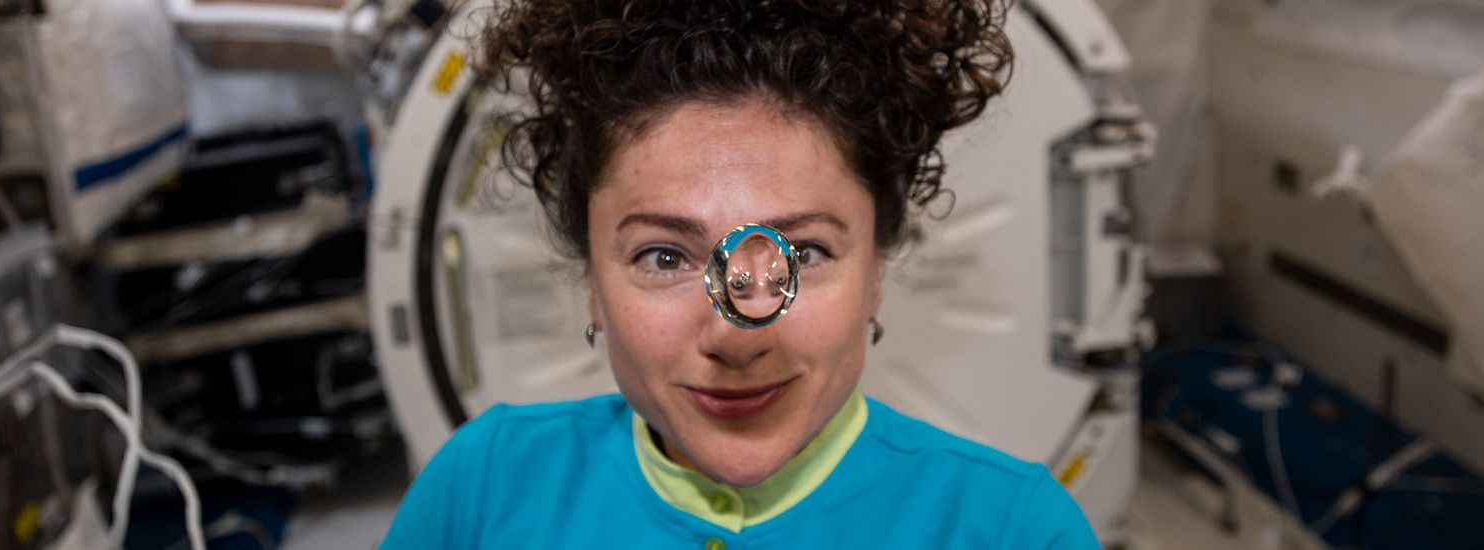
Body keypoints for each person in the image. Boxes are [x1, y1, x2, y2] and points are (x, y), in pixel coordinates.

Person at [379, 0, 1100, 547]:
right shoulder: (481, 486)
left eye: (805, 254)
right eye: (664, 257)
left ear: (875, 270)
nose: (737, 336)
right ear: (593, 285)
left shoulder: (1015, 530)